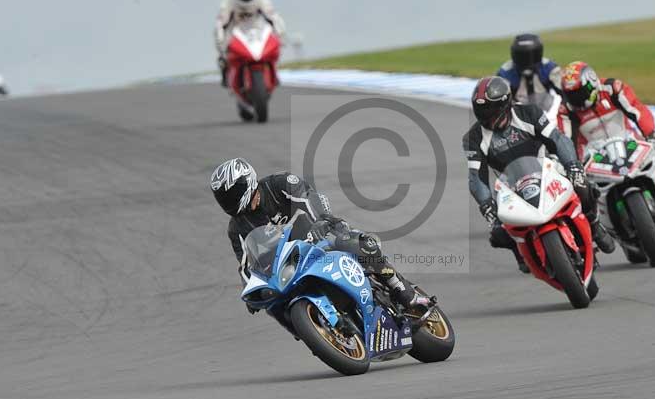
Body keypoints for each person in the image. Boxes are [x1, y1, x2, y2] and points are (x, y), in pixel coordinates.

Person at [210, 158, 431, 310]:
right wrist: (251, 291)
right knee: (273, 304)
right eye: (224, 198)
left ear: (247, 182)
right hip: (290, 262)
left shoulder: (279, 183)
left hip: (319, 233)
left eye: (232, 194)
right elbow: (246, 265)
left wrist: (322, 220)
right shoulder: (236, 228)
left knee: (355, 243)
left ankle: (401, 289)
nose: (228, 202)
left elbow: (309, 198)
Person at [462, 76, 616, 274]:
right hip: (511, 186)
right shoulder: (472, 138)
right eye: (482, 112)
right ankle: (520, 252)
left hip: (547, 167)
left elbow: (557, 139)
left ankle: (594, 225)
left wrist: (573, 166)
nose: (487, 118)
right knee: (497, 232)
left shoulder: (528, 112)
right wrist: (486, 206)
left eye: (491, 112)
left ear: (505, 104)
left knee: (583, 186)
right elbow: (476, 177)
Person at [558, 61, 655, 223]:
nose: (576, 99)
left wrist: (651, 133)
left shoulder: (612, 88)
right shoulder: (566, 110)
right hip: (595, 157)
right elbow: (564, 139)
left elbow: (637, 110)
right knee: (580, 188)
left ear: (591, 82)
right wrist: (571, 164)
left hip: (629, 143)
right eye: (570, 95)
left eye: (579, 93)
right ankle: (597, 224)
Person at [213, 0, 286, 88]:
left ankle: (273, 73)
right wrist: (221, 45)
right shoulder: (228, 3)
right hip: (235, 32)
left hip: (256, 31)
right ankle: (225, 76)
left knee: (273, 51)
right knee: (223, 58)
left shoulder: (262, 1)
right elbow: (220, 25)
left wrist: (280, 37)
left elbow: (274, 19)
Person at [496, 34, 562, 121]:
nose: (526, 61)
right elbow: (498, 103)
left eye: (530, 56)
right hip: (517, 117)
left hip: (548, 114)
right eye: (522, 57)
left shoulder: (549, 68)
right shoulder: (506, 72)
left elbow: (565, 93)